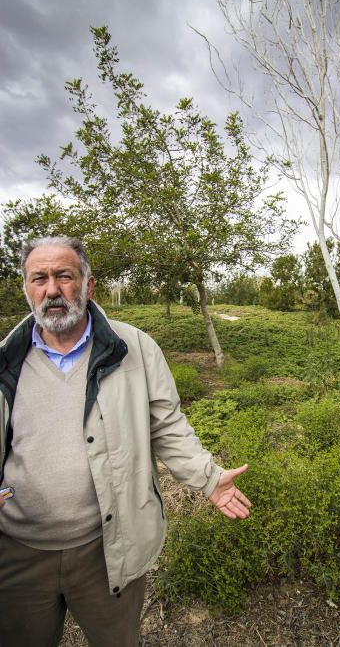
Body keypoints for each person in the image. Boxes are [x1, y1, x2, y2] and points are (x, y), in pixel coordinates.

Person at [0, 236, 251, 647]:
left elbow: (166, 426)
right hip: (17, 552)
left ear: (88, 284)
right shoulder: (5, 359)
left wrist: (208, 478)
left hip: (108, 548)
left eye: (64, 276)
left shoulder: (134, 348)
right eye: (38, 278)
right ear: (26, 288)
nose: (52, 290)